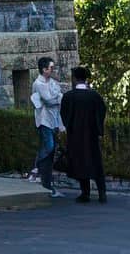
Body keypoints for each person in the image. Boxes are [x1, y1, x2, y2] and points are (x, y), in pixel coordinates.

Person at [60, 63, 109, 204]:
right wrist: (98, 129)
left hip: (76, 137)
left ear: (74, 78)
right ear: (86, 79)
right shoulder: (95, 96)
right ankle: (102, 193)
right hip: (91, 136)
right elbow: (102, 112)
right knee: (96, 163)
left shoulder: (69, 97)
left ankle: (85, 193)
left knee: (80, 163)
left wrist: (69, 128)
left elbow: (64, 115)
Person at [30, 56, 65, 192]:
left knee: (51, 150)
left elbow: (58, 96)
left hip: (54, 120)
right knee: (49, 146)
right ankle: (37, 166)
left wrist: (56, 98)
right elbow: (49, 100)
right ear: (44, 69)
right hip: (44, 120)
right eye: (51, 68)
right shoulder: (38, 84)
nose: (53, 70)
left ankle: (45, 177)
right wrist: (56, 98)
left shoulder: (53, 82)